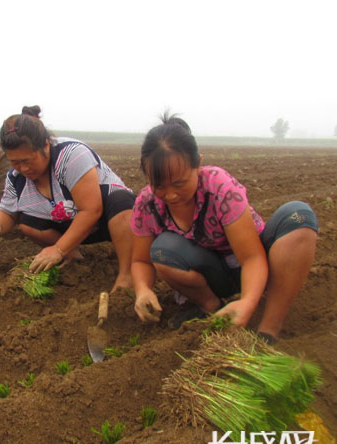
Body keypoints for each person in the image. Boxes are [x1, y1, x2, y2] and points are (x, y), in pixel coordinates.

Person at [130, 113, 318, 344]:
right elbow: (140, 261)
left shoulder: (219, 188)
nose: (170, 195)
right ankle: (211, 307)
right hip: (212, 273)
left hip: (255, 267)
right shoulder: (147, 203)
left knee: (299, 217)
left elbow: (251, 258)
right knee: (162, 250)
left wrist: (248, 302)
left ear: (198, 164)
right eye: (159, 186)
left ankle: (268, 330)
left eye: (179, 183)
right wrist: (142, 289)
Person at [0, 105, 136, 292]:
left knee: (121, 200)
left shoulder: (70, 155)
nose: (23, 168)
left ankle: (127, 274)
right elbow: (7, 211)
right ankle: (73, 256)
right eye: (15, 162)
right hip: (69, 224)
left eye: (28, 160)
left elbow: (91, 210)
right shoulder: (15, 177)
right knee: (28, 222)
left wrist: (57, 249)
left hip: (106, 222)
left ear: (45, 145)